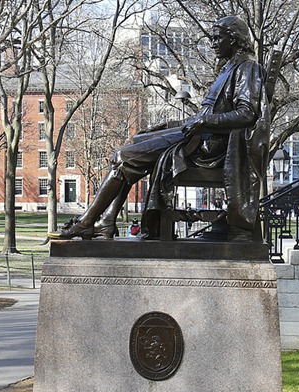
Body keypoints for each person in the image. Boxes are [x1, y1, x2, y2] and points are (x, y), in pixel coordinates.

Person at [50, 16, 269, 241]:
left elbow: (247, 114)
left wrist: (204, 122)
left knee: (123, 157)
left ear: (233, 39)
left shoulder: (247, 68)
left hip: (209, 147)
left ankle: (87, 222)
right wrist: (172, 125)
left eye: (217, 38)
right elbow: (207, 114)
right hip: (199, 136)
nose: (213, 44)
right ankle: (106, 221)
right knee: (138, 140)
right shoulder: (229, 69)